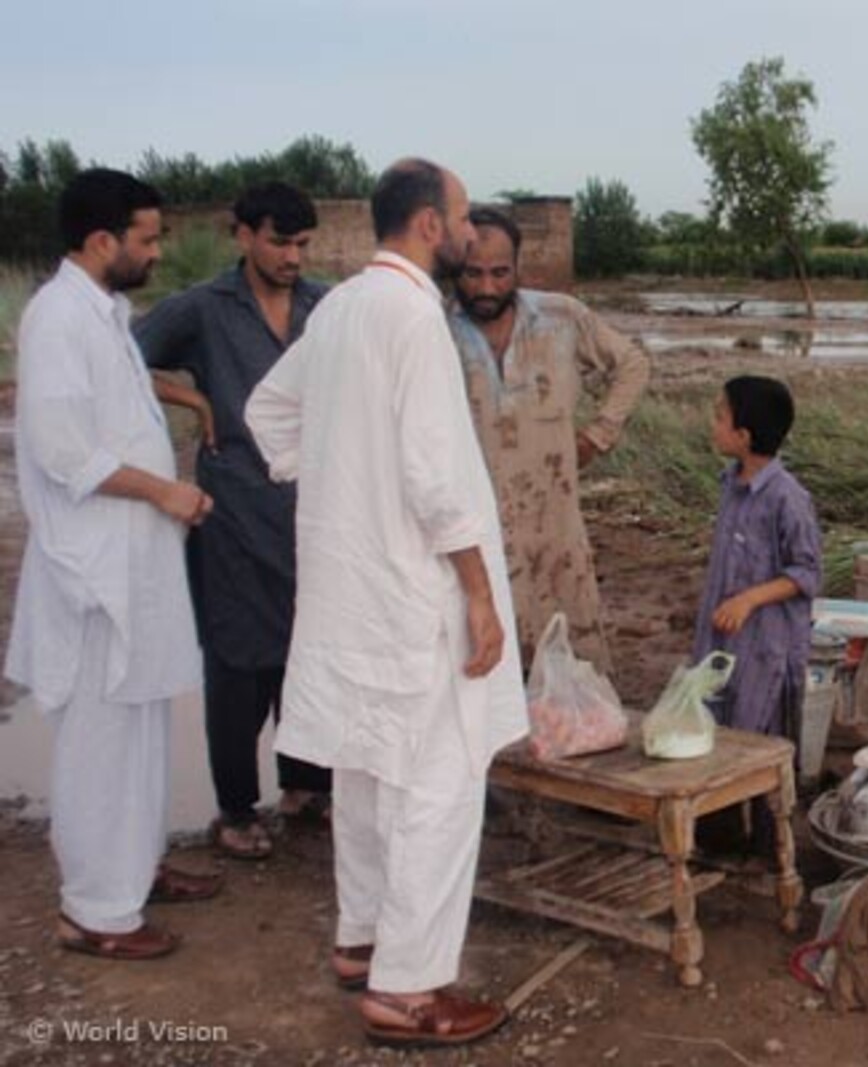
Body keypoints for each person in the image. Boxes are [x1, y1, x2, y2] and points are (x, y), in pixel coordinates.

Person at [245, 158, 525, 1049]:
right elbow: (437, 480)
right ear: (432, 226)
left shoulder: (339, 311)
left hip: (348, 589)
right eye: (463, 216)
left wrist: (336, 480)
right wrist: (480, 597)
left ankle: (362, 939)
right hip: (413, 594)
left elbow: (266, 415)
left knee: (365, 772)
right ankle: (408, 989)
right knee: (439, 786)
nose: (474, 232)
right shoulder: (410, 317)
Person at [6, 169, 222, 962]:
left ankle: (134, 867)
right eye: (147, 238)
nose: (157, 251)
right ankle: (94, 909)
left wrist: (189, 408)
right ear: (102, 242)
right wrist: (165, 490)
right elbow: (67, 453)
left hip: (135, 562)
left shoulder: (103, 312)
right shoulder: (58, 319)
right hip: (93, 569)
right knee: (102, 734)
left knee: (141, 723)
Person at [135, 181, 332, 860]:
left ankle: (307, 784)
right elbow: (124, 356)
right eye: (279, 241)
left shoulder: (324, 306)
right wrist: (190, 397)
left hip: (312, 511)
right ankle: (235, 807)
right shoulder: (204, 308)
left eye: (303, 244)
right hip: (234, 510)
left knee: (306, 652)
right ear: (243, 235)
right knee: (238, 659)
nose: (292, 256)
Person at [449, 206, 649, 674]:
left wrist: (599, 435)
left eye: (500, 273)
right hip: (475, 534)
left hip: (556, 526)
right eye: (473, 273)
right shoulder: (435, 329)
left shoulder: (561, 316)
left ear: (518, 267)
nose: (486, 288)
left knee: (572, 669)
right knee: (483, 665)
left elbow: (633, 364)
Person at [692, 375, 822, 738]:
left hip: (767, 646)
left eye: (720, 417)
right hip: (723, 635)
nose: (713, 425)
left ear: (743, 436)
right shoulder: (730, 486)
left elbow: (806, 572)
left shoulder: (787, 499)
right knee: (716, 722)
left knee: (760, 731)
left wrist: (748, 600)